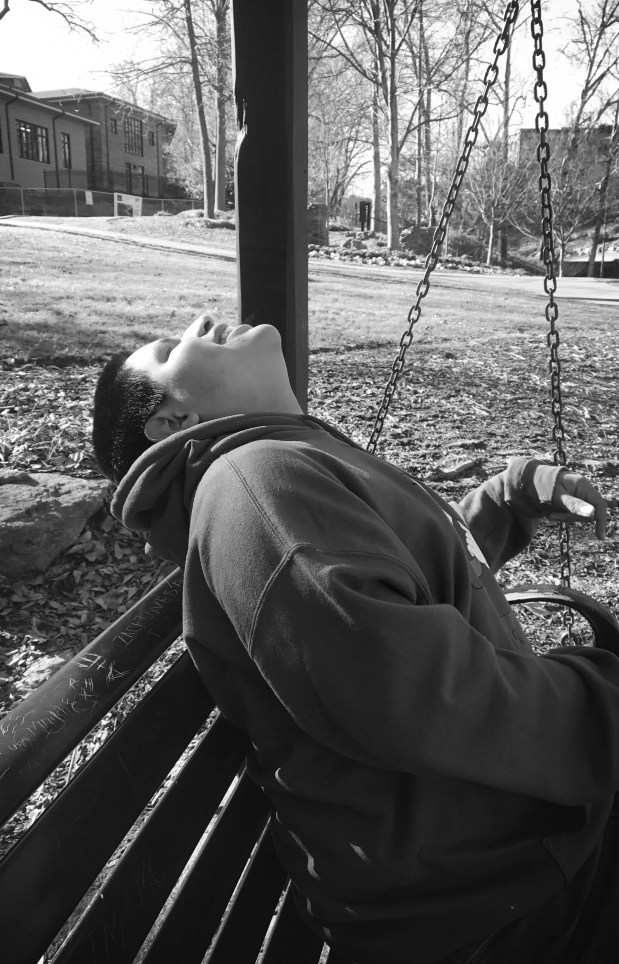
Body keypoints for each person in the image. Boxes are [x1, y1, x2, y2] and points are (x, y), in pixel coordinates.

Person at [92, 314, 617, 964]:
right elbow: (411, 691)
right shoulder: (258, 484)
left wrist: (504, 505)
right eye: (172, 348)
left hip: (503, 850)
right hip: (497, 896)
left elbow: (384, 591)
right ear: (173, 421)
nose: (200, 322)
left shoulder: (275, 468)